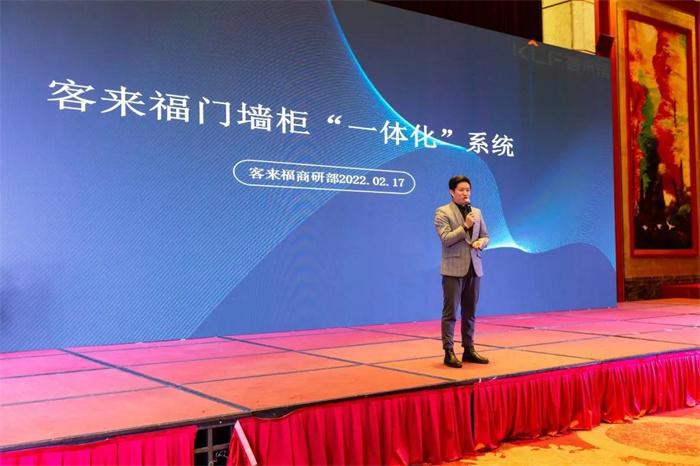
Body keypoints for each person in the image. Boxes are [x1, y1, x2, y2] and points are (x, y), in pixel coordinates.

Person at [434, 175, 490, 368]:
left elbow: (486, 236)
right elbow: (446, 239)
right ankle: (449, 351)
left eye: (468, 190)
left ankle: (469, 349)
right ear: (452, 192)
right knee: (450, 313)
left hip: (474, 268)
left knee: (470, 312)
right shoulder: (442, 212)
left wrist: (481, 243)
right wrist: (465, 226)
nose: (465, 193)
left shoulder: (477, 212)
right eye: (461, 190)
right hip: (453, 269)